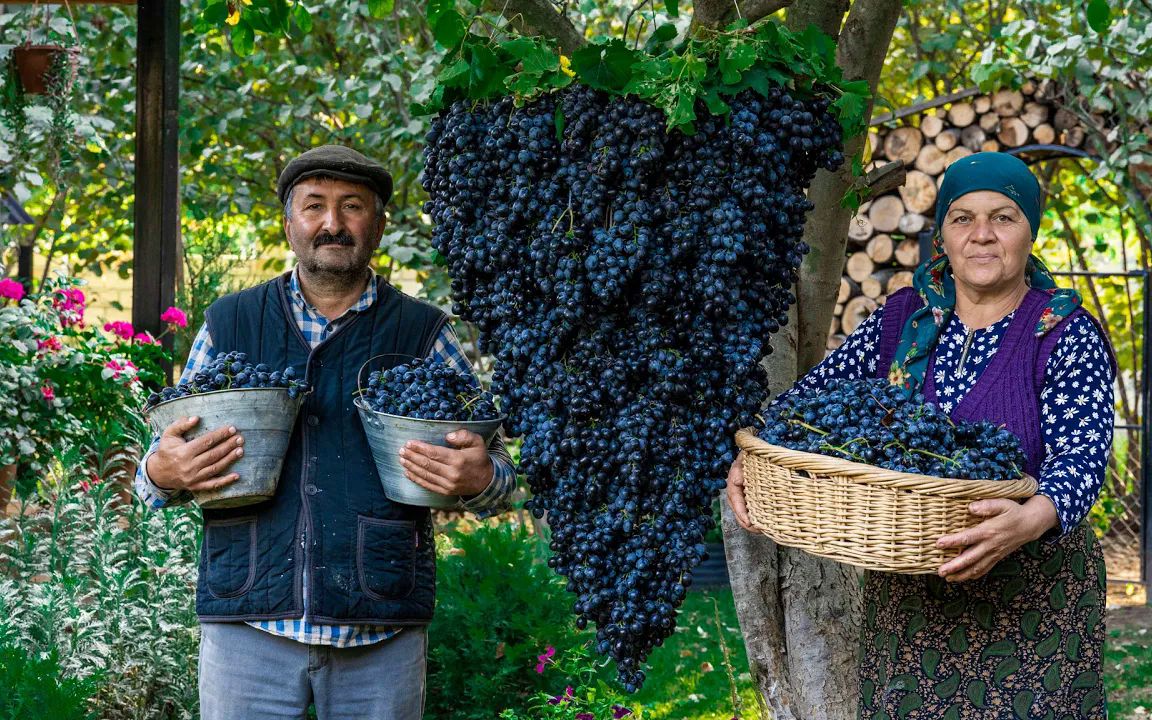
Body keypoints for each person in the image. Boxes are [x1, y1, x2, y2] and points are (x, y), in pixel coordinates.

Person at [133, 145, 516, 719]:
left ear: (380, 225)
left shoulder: (423, 332)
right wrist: (162, 472)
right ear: (289, 224)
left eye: (352, 206)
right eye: (314, 206)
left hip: (379, 627)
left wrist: (482, 475)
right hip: (248, 624)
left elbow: (501, 469)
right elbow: (159, 465)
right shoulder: (229, 323)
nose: (332, 224)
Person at [727, 152, 1115, 718]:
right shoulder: (900, 319)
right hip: (913, 603)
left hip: (1029, 600)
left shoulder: (1061, 331)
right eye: (963, 218)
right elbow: (803, 405)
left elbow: (1081, 456)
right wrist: (755, 459)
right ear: (943, 236)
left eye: (1003, 217)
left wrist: (1032, 518)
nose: (982, 235)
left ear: (1029, 231)